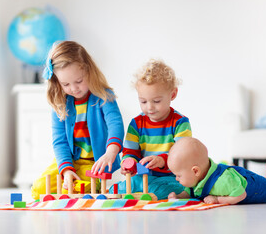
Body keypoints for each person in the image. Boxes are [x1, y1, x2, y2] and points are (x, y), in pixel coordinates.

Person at [31, 41, 124, 200]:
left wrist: (110, 152)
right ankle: (68, 186)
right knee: (39, 189)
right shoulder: (60, 102)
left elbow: (115, 124)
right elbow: (59, 141)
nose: (74, 88)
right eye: (65, 84)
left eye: (79, 81)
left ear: (88, 71)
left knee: (81, 191)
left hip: (94, 163)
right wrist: (66, 171)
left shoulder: (103, 96)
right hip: (70, 162)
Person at [109, 59, 192, 200]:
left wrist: (161, 160)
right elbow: (130, 151)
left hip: (170, 178)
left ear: (172, 94)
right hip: (143, 177)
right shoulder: (136, 123)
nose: (149, 107)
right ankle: (142, 194)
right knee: (116, 190)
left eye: (156, 101)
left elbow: (183, 156)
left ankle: (156, 195)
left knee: (171, 188)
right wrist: (128, 162)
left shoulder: (180, 122)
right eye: (143, 101)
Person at [167, 137, 266, 204]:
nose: (176, 179)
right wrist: (179, 196)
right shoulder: (198, 179)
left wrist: (218, 199)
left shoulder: (222, 182)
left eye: (178, 175)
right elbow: (191, 192)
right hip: (241, 178)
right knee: (257, 178)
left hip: (251, 189)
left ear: (195, 171)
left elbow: (240, 195)